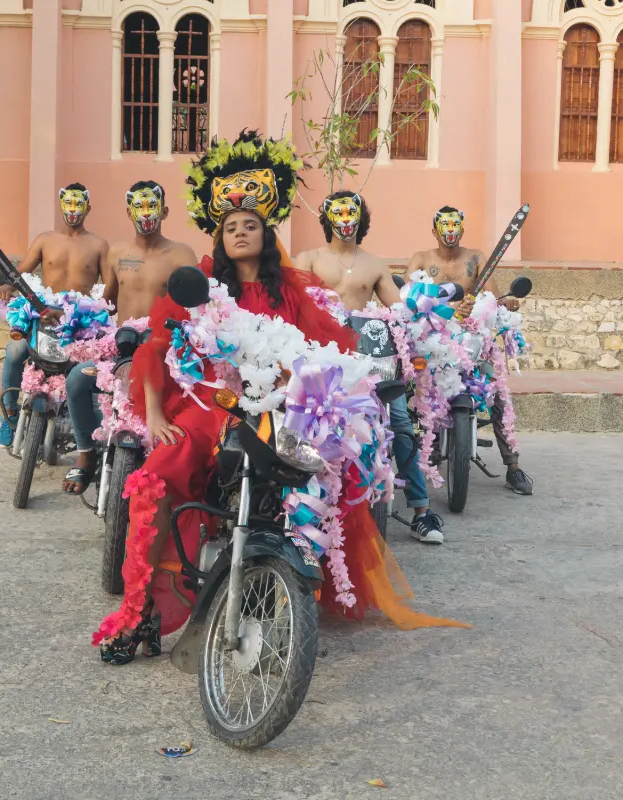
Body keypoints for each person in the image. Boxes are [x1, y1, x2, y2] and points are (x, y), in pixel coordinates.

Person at [94, 131, 467, 665]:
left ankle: (282, 581)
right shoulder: (197, 283)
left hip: (274, 414)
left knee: (317, 474)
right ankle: (141, 615)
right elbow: (158, 346)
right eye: (230, 227)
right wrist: (155, 415)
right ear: (218, 238)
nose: (240, 232)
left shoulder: (293, 292)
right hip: (209, 409)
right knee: (153, 481)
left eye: (251, 225)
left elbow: (327, 349)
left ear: (267, 235)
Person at [296, 191, 446, 544]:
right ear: (328, 217)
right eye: (339, 211)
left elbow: (398, 309)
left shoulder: (376, 264)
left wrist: (423, 311)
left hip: (371, 360)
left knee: (400, 424)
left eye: (353, 212)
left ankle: (422, 511)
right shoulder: (309, 259)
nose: (346, 218)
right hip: (323, 362)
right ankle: (305, 511)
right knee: (309, 433)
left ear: (361, 218)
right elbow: (295, 304)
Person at [61, 181, 196, 495]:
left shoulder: (181, 254)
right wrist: (70, 316)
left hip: (163, 352)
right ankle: (86, 455)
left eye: (152, 206)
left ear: (164, 210)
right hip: (120, 348)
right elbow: (107, 300)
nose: (145, 213)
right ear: (128, 211)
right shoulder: (118, 253)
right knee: (78, 380)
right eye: (139, 206)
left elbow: (194, 306)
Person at [406, 206, 534, 496]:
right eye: (444, 225)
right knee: (406, 394)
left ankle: (512, 466)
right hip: (432, 342)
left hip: (470, 341)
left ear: (462, 229)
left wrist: (507, 300)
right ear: (435, 230)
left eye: (455, 226)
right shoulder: (421, 259)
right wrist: (447, 308)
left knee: (498, 392)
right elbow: (410, 298)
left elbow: (491, 294)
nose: (450, 231)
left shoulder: (475, 258)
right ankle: (405, 459)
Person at [0, 183, 110, 448]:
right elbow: (21, 271)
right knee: (14, 351)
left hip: (79, 326)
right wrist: (6, 287)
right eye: (68, 203)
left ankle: (95, 434)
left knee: (94, 369)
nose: (73, 210)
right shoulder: (45, 239)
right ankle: (9, 416)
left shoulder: (99, 245)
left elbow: (110, 287)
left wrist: (103, 312)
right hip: (42, 319)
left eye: (78, 204)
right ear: (61, 206)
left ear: (88, 207)